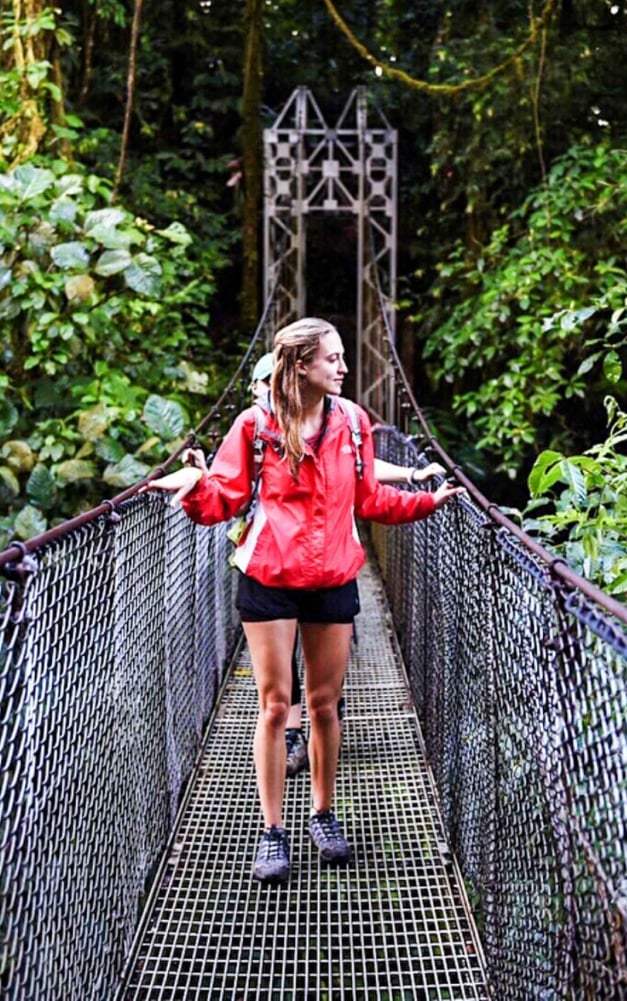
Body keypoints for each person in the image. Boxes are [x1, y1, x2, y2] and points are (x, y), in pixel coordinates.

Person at [147, 320, 462, 883]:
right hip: (269, 576)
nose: (344, 368)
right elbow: (225, 497)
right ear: (300, 367)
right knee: (273, 705)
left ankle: (323, 813)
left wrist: (424, 503)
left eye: (343, 358)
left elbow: (369, 498)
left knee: (322, 705)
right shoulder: (254, 425)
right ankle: (272, 832)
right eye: (332, 359)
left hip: (333, 575)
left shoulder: (353, 423)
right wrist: (194, 486)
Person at [244, 351, 445, 777]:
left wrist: (413, 480)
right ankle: (294, 738)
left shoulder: (339, 425)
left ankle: (319, 728)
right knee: (279, 683)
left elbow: (362, 475)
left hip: (329, 562)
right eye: (260, 385)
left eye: (268, 383)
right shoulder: (255, 426)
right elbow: (225, 482)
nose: (264, 393)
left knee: (323, 677)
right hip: (270, 563)